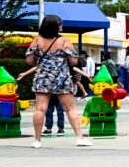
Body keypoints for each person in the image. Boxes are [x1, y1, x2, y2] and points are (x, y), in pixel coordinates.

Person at [18, 15, 90, 148]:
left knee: (40, 109)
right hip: (61, 78)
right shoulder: (64, 41)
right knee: (69, 109)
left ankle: (37, 140)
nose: (62, 26)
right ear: (55, 26)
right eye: (60, 24)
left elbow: (29, 61)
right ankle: (80, 137)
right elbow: (73, 61)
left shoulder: (36, 41)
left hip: (43, 78)